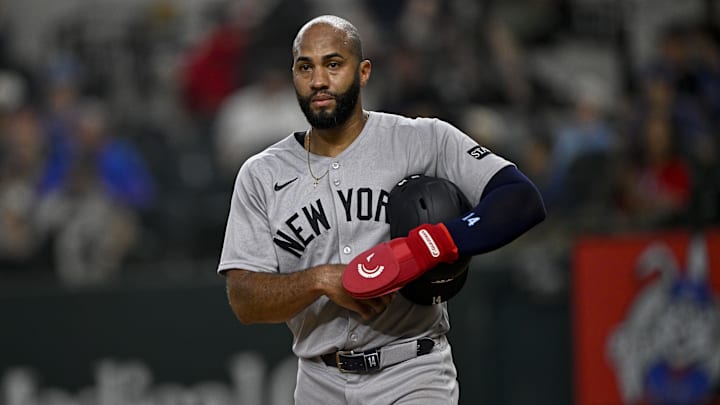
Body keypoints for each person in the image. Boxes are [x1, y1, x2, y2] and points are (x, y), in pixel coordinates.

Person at [218, 15, 545, 404]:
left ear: (363, 71)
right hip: (318, 381)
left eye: (333, 64)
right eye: (306, 67)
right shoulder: (261, 173)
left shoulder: (421, 138)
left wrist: (431, 245)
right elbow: (243, 298)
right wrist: (319, 279)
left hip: (412, 369)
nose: (319, 80)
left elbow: (519, 198)